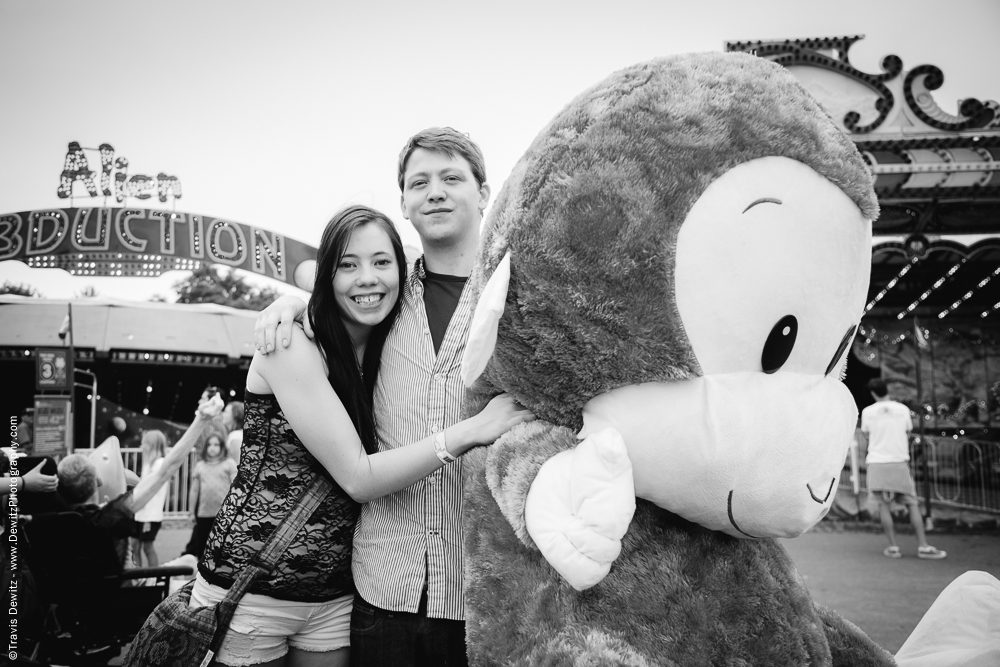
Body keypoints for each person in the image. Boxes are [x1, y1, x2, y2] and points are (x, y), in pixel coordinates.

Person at [199, 204, 532, 667]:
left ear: (403, 271)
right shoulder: (290, 343)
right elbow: (357, 476)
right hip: (257, 587)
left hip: (336, 594)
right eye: (347, 266)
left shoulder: (385, 337)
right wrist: (470, 431)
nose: (367, 278)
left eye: (381, 262)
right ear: (327, 277)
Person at [255, 127, 497, 666]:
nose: (434, 191)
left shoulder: (513, 294)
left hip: (480, 590)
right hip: (382, 585)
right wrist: (290, 304)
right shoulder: (386, 292)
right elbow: (326, 284)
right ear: (405, 203)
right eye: (419, 182)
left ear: (483, 193)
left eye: (451, 177)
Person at [47, 396, 222, 567]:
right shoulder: (108, 517)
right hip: (121, 592)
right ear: (97, 482)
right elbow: (166, 471)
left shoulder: (49, 521)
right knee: (189, 562)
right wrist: (202, 419)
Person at [860, 378, 946, 559]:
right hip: (899, 463)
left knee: (884, 506)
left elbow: (866, 436)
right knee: (912, 504)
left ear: (873, 393)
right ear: (887, 390)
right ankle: (923, 545)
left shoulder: (868, 412)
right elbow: (907, 433)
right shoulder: (902, 410)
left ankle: (893, 547)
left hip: (877, 464)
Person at [183, 433, 237, 561]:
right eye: (210, 445)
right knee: (202, 545)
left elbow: (235, 487)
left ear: (222, 447)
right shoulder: (200, 466)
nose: (212, 447)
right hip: (204, 513)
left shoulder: (229, 464)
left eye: (216, 444)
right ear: (205, 447)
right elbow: (195, 490)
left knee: (222, 546)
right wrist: (191, 512)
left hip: (224, 513)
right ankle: (201, 573)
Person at [130, 430, 169, 568]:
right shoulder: (149, 464)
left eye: (144, 443)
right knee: (134, 546)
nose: (142, 447)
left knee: (147, 547)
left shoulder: (160, 463)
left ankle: (154, 577)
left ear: (151, 445)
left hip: (150, 514)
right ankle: (138, 575)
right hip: (140, 512)